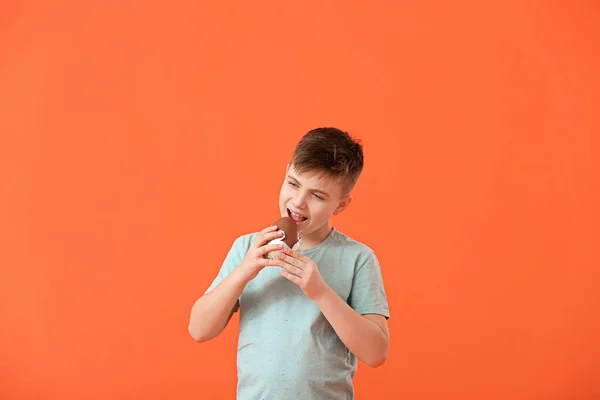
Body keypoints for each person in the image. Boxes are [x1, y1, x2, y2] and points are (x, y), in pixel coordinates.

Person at [188, 127, 390, 399]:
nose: (298, 202)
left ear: (341, 205)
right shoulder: (248, 248)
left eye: (317, 196)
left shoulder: (358, 258)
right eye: (293, 184)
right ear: (285, 174)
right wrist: (245, 271)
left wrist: (321, 292)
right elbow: (198, 330)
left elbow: (376, 353)